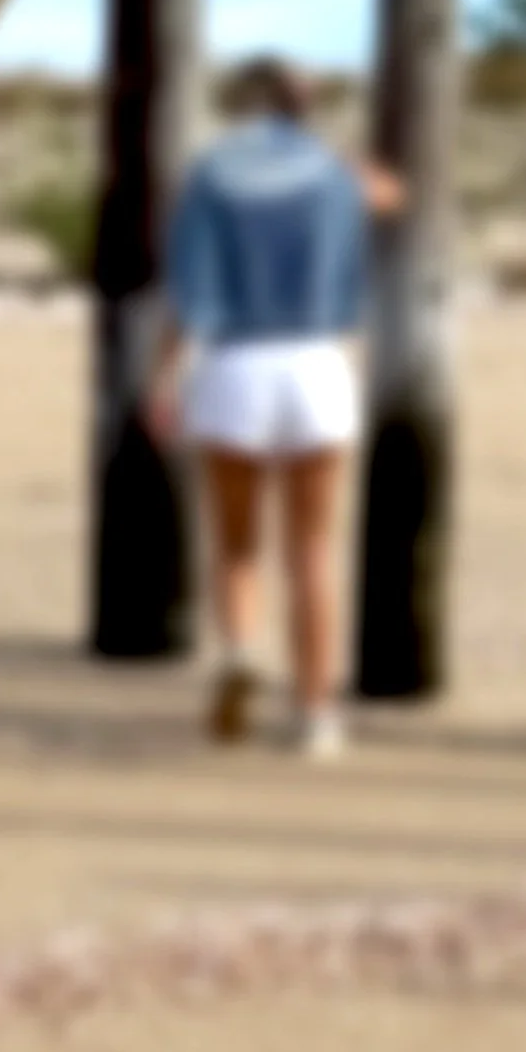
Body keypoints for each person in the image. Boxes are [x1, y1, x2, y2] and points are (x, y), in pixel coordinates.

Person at [151, 56, 401, 756]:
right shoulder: (331, 174)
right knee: (312, 550)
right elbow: (390, 194)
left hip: (234, 362)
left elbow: (188, 296)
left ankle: (238, 647)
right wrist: (334, 149)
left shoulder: (209, 175)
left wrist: (161, 379)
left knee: (237, 545)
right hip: (315, 362)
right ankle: (316, 713)